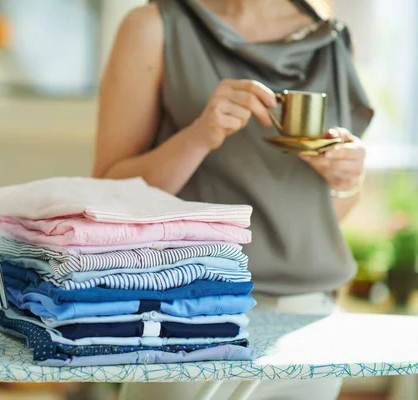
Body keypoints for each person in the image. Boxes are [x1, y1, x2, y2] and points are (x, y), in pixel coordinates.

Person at [92, 0, 374, 399]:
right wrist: (198, 136)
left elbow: (333, 211)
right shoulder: (152, 27)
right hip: (188, 315)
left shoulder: (331, 37)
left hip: (308, 318)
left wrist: (346, 179)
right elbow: (106, 194)